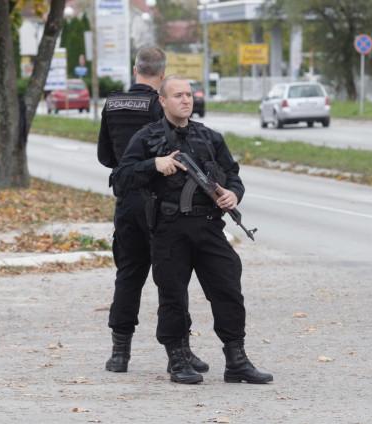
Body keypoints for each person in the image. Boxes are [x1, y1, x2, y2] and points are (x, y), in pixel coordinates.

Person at [113, 76, 273, 385]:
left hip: (209, 226)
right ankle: (178, 358)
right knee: (172, 296)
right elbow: (120, 179)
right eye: (177, 95)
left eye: (188, 95)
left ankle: (236, 359)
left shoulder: (210, 138)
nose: (185, 100)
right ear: (162, 101)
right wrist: (154, 165)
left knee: (228, 289)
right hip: (169, 229)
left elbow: (233, 175)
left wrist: (233, 194)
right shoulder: (146, 139)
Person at [97, 46, 208, 374]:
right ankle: (182, 351)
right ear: (163, 75)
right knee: (172, 277)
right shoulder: (161, 105)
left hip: (128, 201)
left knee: (129, 274)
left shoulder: (113, 103)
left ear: (135, 69)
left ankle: (120, 353)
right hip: (163, 205)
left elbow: (105, 156)